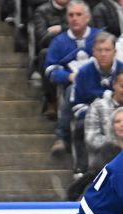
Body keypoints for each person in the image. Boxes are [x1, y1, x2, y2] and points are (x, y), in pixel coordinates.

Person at [45, 0, 101, 156]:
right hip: (75, 85)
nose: (74, 18)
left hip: (101, 83)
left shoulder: (99, 37)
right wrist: (69, 76)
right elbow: (50, 70)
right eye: (71, 15)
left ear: (87, 17)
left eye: (78, 14)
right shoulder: (59, 41)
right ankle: (61, 137)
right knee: (72, 91)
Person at [66, 106, 123, 200]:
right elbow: (93, 175)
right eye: (117, 121)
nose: (122, 124)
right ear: (112, 126)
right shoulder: (107, 149)